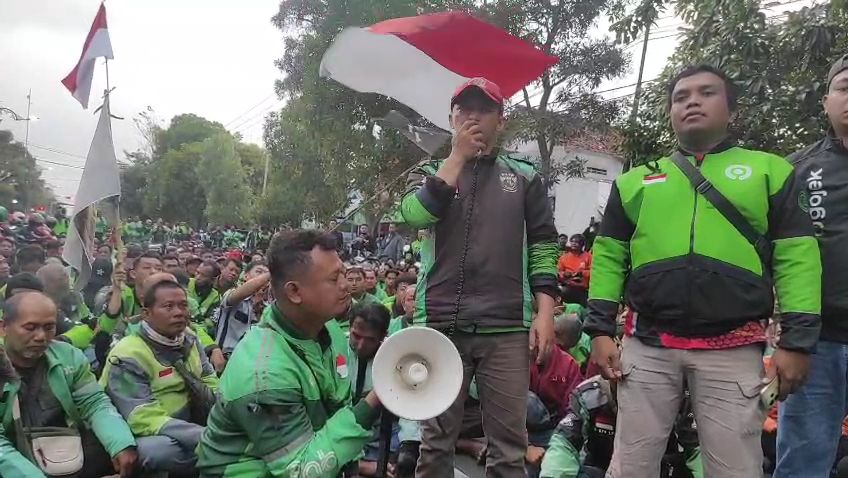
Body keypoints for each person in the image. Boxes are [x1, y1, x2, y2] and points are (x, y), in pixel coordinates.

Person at [585, 64, 822, 477]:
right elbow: (608, 255)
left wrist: (797, 342)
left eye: (706, 92)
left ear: (732, 110)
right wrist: (600, 331)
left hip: (733, 349)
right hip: (648, 345)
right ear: (672, 113)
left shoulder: (771, 172)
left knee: (736, 469)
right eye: (681, 96)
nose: (691, 101)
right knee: (630, 466)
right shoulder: (635, 182)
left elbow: (797, 257)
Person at [399, 77, 559, 476]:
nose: (473, 116)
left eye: (484, 109)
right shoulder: (431, 172)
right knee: (434, 443)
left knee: (508, 446)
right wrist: (455, 161)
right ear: (451, 118)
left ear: (500, 121)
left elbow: (542, 245)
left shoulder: (524, 177)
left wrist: (544, 313)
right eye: (463, 109)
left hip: (505, 327)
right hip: (439, 323)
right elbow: (415, 216)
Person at [196, 230, 383, 477]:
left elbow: (335, 404)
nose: (346, 285)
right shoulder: (264, 375)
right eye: (333, 278)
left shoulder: (328, 329)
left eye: (344, 273)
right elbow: (299, 471)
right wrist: (372, 403)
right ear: (294, 292)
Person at [775, 54, 848, 476]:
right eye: (843, 87)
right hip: (815, 343)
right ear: (825, 101)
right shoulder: (797, 169)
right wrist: (789, 336)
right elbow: (774, 253)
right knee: (803, 462)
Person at [0, 292, 138, 477]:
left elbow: (94, 403)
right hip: (13, 456)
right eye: (30, 327)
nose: (41, 336)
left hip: (65, 449)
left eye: (49, 327)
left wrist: (120, 442)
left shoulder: (68, 357)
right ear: (4, 328)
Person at [101, 277, 218, 475]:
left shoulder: (189, 337)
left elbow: (209, 378)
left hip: (193, 417)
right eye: (168, 306)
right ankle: (217, 455)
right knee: (157, 452)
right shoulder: (128, 354)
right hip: (152, 429)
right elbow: (141, 416)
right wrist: (202, 435)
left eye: (183, 305)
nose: (179, 312)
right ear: (146, 314)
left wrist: (226, 413)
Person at [539, 375, 701, 478]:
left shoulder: (676, 398)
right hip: (602, 469)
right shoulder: (590, 395)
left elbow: (697, 452)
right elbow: (564, 445)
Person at [347, 303, 397, 477]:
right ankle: (359, 465)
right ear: (349, 327)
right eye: (356, 336)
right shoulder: (332, 350)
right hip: (340, 433)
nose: (360, 345)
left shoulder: (394, 359)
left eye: (370, 340)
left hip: (377, 435)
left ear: (383, 337)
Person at [214, 261, 270, 359]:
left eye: (266, 274)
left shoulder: (268, 308)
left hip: (250, 361)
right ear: (245, 276)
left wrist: (258, 310)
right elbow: (240, 293)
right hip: (225, 358)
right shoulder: (232, 293)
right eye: (259, 271)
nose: (262, 277)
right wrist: (270, 273)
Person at [557, 234, 592, 306]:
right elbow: (558, 272)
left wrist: (582, 273)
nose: (574, 243)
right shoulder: (564, 257)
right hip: (568, 287)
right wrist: (564, 274)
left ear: (582, 244)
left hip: (584, 289)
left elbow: (594, 272)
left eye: (576, 242)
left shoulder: (588, 256)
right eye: (572, 241)